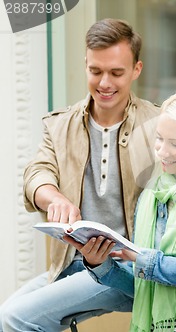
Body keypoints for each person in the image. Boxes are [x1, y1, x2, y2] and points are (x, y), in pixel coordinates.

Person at [0, 18, 160, 331]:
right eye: (95, 71)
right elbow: (37, 173)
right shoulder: (60, 124)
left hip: (127, 268)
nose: (104, 83)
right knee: (5, 319)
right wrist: (53, 196)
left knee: (14, 319)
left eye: (116, 72)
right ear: (85, 64)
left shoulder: (159, 123)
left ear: (136, 70)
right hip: (70, 262)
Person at [66, 87, 176, 331]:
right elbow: (142, 285)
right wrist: (99, 264)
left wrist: (146, 261)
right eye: (159, 138)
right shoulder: (152, 195)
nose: (162, 151)